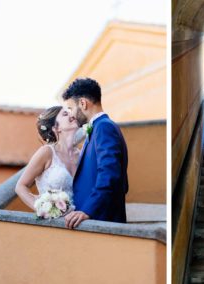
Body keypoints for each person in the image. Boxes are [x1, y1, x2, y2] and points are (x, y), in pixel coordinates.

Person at [62, 78, 129, 229]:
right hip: (96, 219)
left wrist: (88, 210)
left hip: (102, 219)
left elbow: (109, 175)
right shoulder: (99, 128)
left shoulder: (104, 128)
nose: (71, 115)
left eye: (71, 108)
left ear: (83, 104)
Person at [15, 106, 81, 211]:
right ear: (56, 128)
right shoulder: (47, 152)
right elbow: (20, 186)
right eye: (65, 114)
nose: (72, 115)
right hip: (53, 223)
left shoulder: (82, 154)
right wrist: (43, 209)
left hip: (80, 222)